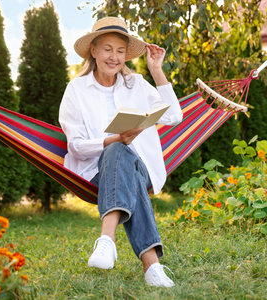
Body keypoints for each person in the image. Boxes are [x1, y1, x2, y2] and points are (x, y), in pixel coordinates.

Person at [59, 16, 183, 287]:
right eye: (107, 49)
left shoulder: (136, 84)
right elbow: (76, 145)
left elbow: (174, 115)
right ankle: (152, 268)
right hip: (93, 174)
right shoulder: (76, 91)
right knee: (116, 148)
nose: (114, 57)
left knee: (121, 152)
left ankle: (107, 241)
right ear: (93, 50)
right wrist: (112, 139)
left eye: (120, 51)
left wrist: (156, 70)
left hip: (143, 168)